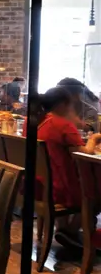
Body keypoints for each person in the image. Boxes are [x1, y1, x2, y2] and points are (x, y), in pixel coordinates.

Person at [36, 87, 101, 248]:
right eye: (71, 104)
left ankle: (64, 228)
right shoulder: (64, 126)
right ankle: (70, 231)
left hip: (43, 185)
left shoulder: (41, 123)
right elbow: (84, 153)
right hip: (62, 189)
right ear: (63, 104)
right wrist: (93, 139)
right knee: (97, 195)